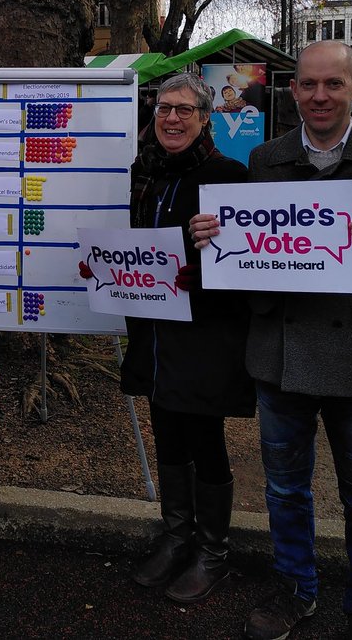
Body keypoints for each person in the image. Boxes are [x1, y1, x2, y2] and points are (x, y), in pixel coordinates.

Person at [190, 41, 352, 640]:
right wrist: (213, 237)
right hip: (280, 355)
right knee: (285, 489)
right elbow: (250, 248)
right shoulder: (266, 158)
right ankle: (295, 589)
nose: (319, 96)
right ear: (293, 91)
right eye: (308, 84)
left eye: (333, 84)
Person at [101, 73, 255, 603]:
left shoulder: (228, 176)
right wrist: (107, 268)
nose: (171, 118)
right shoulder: (144, 172)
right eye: (164, 108)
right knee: (166, 429)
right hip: (153, 328)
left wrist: (203, 274)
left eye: (184, 110)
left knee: (204, 437)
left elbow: (246, 257)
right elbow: (134, 245)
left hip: (206, 331)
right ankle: (176, 536)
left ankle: (213, 551)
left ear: (204, 119)